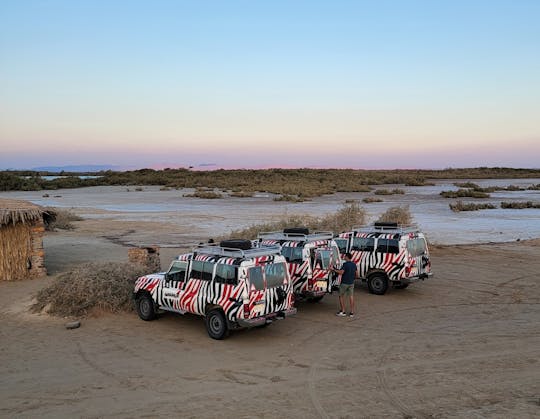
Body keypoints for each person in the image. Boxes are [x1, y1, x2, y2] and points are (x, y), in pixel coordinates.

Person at [331, 252, 357, 317]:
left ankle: (343, 311)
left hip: (344, 283)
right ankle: (352, 312)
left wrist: (334, 269)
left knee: (341, 296)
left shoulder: (345, 264)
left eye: (345, 256)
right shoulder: (354, 264)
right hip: (351, 283)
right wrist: (353, 279)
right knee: (351, 297)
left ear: (347, 257)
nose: (344, 257)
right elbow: (357, 274)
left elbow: (341, 272)